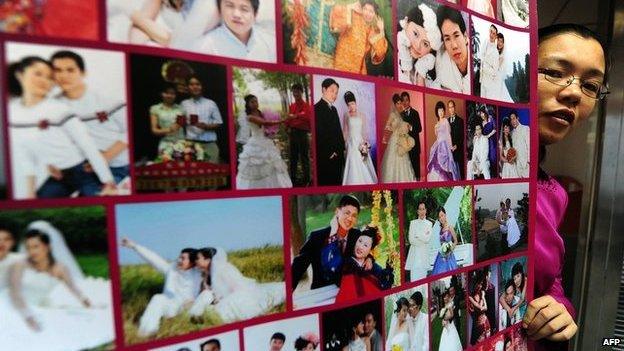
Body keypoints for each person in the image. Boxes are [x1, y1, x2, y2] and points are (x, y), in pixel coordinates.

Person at [526, 23, 607, 348]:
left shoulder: (553, 194)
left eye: (590, 85)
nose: (574, 93)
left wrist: (561, 310)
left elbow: (550, 283)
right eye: (556, 72)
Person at [7, 56, 116, 199]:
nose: (44, 81)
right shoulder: (13, 112)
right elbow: (25, 154)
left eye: (49, 77)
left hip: (84, 171)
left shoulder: (59, 109)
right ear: (20, 75)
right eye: (38, 73)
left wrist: (108, 181)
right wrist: (30, 192)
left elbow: (87, 145)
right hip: (58, 175)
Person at [0, 221, 113, 350]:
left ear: (47, 247)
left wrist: (88, 304)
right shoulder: (20, 265)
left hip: (38, 305)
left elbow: (74, 289)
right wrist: (27, 315)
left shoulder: (59, 269)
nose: (31, 251)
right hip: (11, 303)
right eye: (28, 247)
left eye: (36, 246)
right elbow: (15, 293)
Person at [51, 50, 129, 185]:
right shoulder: (53, 105)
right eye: (57, 70)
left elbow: (131, 131)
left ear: (83, 73)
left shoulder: (107, 99)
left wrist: (106, 157)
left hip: (116, 165)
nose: (63, 76)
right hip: (79, 167)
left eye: (70, 70)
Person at [120, 238, 202, 336]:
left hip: (187, 309)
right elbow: (154, 259)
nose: (179, 260)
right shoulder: (171, 270)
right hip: (171, 306)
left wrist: (196, 301)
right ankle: (147, 332)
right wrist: (134, 246)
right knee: (158, 298)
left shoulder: (199, 274)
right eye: (179, 257)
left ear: (192, 262)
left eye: (183, 258)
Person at [187, 247, 286, 323]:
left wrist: (220, 299)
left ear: (207, 259)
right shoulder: (207, 274)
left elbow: (238, 287)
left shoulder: (223, 268)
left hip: (238, 294)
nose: (196, 262)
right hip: (221, 298)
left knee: (222, 310)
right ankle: (195, 314)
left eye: (198, 259)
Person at [291, 195, 365, 290]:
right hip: (322, 293)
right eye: (347, 213)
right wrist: (288, 294)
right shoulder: (317, 237)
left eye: (354, 215)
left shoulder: (358, 236)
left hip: (348, 291)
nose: (350, 218)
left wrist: (370, 259)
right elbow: (298, 267)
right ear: (337, 212)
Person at [236, 94, 292, 189]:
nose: (255, 104)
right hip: (255, 141)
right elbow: (265, 123)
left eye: (256, 101)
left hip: (265, 140)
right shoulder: (249, 116)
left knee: (271, 163)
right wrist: (282, 121)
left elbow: (264, 127)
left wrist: (269, 132)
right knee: (256, 164)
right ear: (248, 104)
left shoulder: (260, 113)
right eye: (252, 102)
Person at [194, 0, 276, 62]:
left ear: (255, 14)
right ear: (220, 9)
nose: (236, 14)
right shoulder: (205, 46)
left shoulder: (269, 42)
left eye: (244, 9)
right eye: (230, 6)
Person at [335, 226, 393, 302]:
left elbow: (384, 284)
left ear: (370, 250)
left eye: (365, 245)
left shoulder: (372, 266)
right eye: (360, 241)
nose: (360, 246)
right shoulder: (347, 262)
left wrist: (389, 267)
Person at [329, 0, 388, 74]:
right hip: (342, 59)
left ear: (375, 14)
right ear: (362, 9)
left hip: (358, 66)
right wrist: (350, 7)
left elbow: (379, 53)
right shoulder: (352, 15)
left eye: (371, 11)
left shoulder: (372, 30)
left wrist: (381, 30)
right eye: (365, 9)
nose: (367, 13)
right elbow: (336, 17)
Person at [180, 75, 224, 163]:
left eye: (198, 84)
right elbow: (180, 122)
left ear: (202, 86)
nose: (195, 87)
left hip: (209, 144)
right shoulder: (184, 104)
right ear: (188, 87)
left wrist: (206, 126)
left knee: (212, 174)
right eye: (191, 84)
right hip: (190, 145)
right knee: (193, 174)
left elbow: (219, 123)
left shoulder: (211, 103)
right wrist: (183, 122)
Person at [396, 4, 441, 86]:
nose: (417, 45)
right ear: (406, 22)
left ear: (430, 51)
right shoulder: (393, 57)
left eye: (425, 44)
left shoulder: (425, 72)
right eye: (415, 33)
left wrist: (420, 74)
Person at [341, 91, 378, 185]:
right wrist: (343, 146)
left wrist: (365, 145)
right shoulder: (346, 115)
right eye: (349, 105)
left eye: (352, 104)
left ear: (356, 103)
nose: (351, 106)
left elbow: (364, 132)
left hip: (360, 143)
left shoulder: (362, 115)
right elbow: (345, 132)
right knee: (353, 161)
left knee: (362, 162)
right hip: (351, 143)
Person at [315, 78, 345, 186]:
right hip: (327, 156)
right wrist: (330, 153)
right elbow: (319, 133)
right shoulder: (316, 108)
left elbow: (338, 131)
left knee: (337, 181)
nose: (335, 95)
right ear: (324, 89)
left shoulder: (334, 109)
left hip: (338, 155)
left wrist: (341, 149)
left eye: (336, 93)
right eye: (332, 91)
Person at [433, 6, 470, 93]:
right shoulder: (442, 66)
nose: (454, 46)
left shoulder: (478, 61)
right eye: (447, 39)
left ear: (465, 37)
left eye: (456, 35)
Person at [381, 94, 416, 183]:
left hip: (401, 140)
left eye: (400, 103)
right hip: (394, 140)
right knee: (393, 159)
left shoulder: (401, 115)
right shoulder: (392, 114)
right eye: (398, 103)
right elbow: (387, 127)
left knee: (403, 159)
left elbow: (403, 126)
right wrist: (393, 129)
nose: (399, 105)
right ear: (394, 104)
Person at [285, 83, 312, 186]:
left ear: (302, 92)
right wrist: (286, 127)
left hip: (302, 134)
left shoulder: (306, 106)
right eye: (294, 92)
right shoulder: (292, 106)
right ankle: (293, 179)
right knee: (293, 157)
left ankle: (306, 179)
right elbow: (288, 118)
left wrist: (295, 116)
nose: (296, 93)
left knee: (304, 156)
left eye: (297, 91)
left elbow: (307, 117)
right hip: (293, 133)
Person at [427, 101, 460, 181]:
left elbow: (448, 134)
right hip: (438, 145)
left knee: (447, 166)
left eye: (442, 110)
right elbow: (437, 136)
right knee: (436, 163)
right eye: (439, 111)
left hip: (445, 146)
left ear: (444, 111)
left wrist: (450, 146)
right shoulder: (436, 125)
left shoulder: (446, 121)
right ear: (437, 112)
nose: (441, 112)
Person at [149, 83, 186, 152]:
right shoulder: (155, 108)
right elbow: (154, 130)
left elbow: (181, 125)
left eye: (172, 93)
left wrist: (183, 122)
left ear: (175, 95)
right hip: (165, 143)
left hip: (181, 143)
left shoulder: (181, 109)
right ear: (161, 93)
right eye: (166, 93)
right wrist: (169, 129)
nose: (169, 95)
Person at [405, 202, 433, 282]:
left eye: (423, 209)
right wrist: (423, 237)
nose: (422, 211)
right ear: (417, 211)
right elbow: (411, 240)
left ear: (426, 210)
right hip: (414, 259)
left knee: (422, 281)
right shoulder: (413, 223)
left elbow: (427, 239)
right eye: (420, 209)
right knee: (413, 280)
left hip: (424, 259)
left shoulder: (429, 224)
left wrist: (417, 234)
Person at [401, 92, 423, 180]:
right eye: (403, 101)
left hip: (415, 146)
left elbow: (420, 128)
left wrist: (411, 127)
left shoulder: (415, 113)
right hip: (405, 146)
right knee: (407, 169)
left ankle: (418, 183)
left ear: (409, 100)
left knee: (416, 168)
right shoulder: (401, 115)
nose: (405, 102)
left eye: (406, 100)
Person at [431, 207, 459, 275]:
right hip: (441, 254)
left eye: (442, 215)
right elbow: (441, 244)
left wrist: (450, 250)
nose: (441, 218)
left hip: (449, 254)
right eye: (439, 217)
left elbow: (455, 241)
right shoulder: (441, 229)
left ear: (445, 215)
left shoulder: (450, 227)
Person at [480, 25, 501, 99]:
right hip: (482, 79)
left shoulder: (495, 53)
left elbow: (495, 72)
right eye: (490, 32)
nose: (491, 35)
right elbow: (481, 55)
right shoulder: (485, 41)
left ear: (496, 37)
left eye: (494, 33)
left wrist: (485, 68)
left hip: (489, 83)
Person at [493, 33, 514, 102]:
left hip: (497, 80)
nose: (500, 43)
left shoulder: (501, 57)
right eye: (498, 41)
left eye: (501, 41)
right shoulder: (493, 52)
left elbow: (496, 69)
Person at [448, 100, 465, 179]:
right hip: (450, 150)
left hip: (458, 150)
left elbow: (462, 136)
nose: (451, 109)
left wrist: (456, 146)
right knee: (452, 172)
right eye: (449, 107)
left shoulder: (460, 121)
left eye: (452, 107)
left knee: (460, 172)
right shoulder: (447, 121)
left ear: (454, 107)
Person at [510, 111, 529, 178]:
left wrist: (529, 161)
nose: (513, 121)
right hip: (515, 164)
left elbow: (529, 145)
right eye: (511, 120)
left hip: (525, 163)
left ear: (518, 118)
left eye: (514, 118)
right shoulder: (511, 133)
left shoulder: (525, 128)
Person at [479, 106, 497, 177]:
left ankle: (495, 175)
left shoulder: (491, 118)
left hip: (492, 142)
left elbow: (495, 129)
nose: (482, 115)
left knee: (493, 158)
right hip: (486, 144)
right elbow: (482, 134)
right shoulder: (482, 123)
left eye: (483, 113)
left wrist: (488, 136)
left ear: (485, 113)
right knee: (487, 159)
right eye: (481, 113)